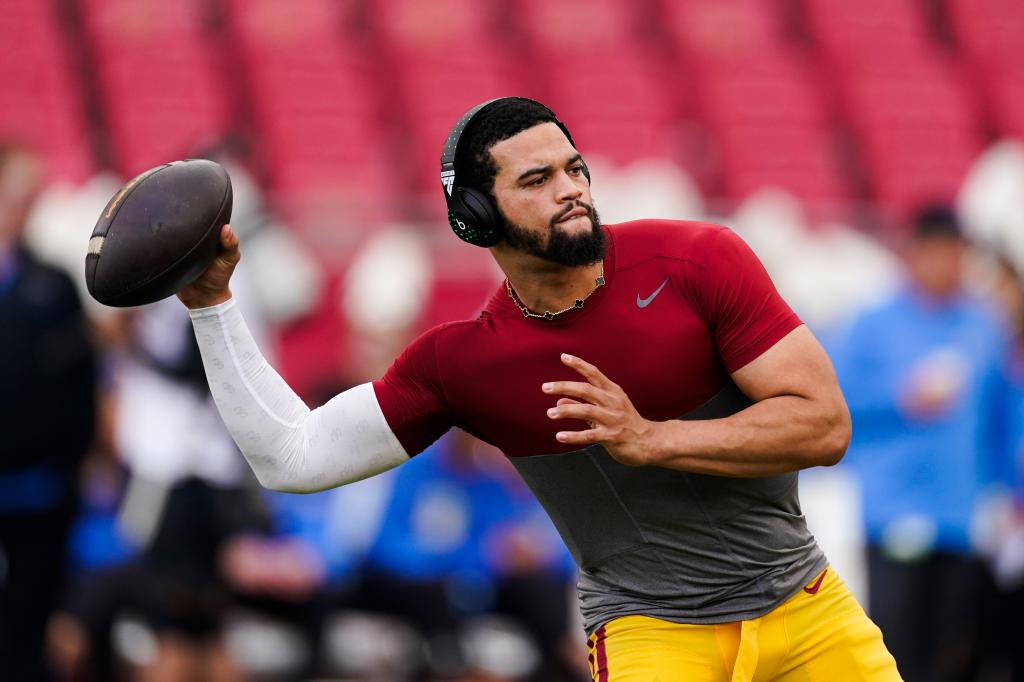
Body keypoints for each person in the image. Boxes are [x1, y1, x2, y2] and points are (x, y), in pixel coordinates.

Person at [178, 97, 901, 681]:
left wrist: (654, 439)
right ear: (477, 218)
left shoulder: (699, 260)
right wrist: (213, 306)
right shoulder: (466, 363)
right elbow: (292, 458)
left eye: (573, 169)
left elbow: (825, 425)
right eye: (536, 180)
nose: (571, 191)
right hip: (652, 630)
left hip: (806, 604)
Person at [830, 207, 1014, 682]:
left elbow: (1001, 415)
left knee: (956, 651)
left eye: (954, 254)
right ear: (911, 255)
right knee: (891, 650)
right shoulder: (872, 323)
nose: (944, 265)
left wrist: (1005, 490)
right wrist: (902, 399)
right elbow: (835, 406)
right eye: (933, 253)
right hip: (894, 513)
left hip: (963, 517)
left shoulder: (983, 325)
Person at [0, 142, 98, 680]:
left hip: (39, 489)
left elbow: (79, 383)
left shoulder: (53, 283)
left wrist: (74, 462)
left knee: (28, 629)